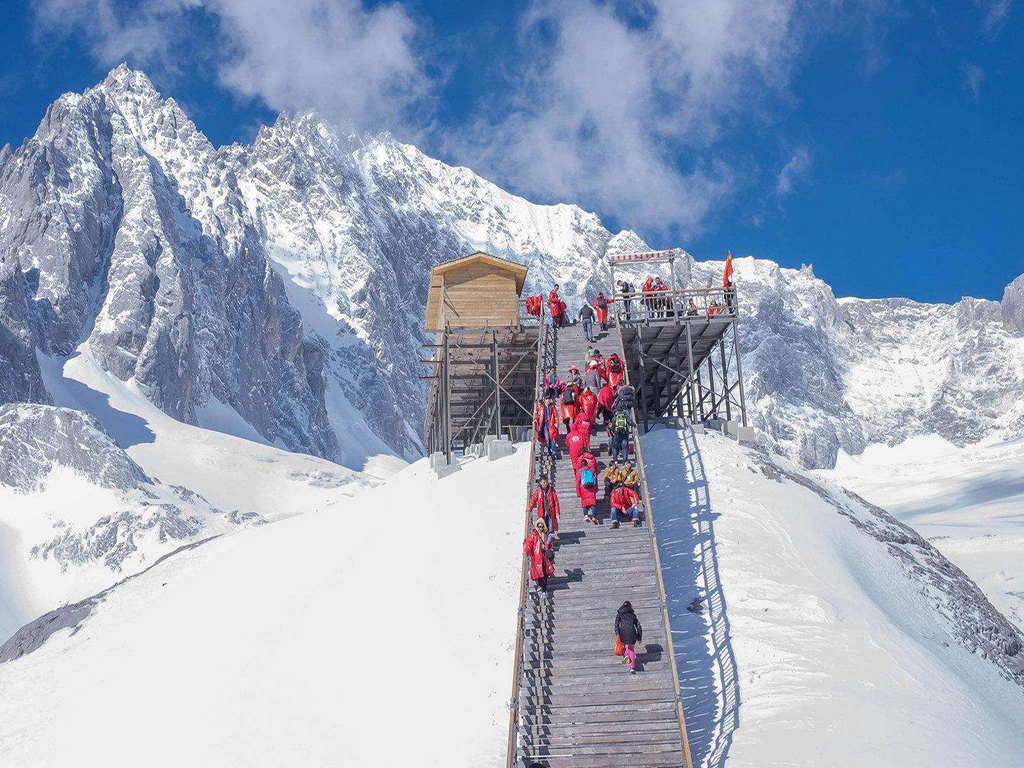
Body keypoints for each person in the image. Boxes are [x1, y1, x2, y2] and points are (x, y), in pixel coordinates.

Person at [524, 518, 554, 592]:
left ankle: (544, 590)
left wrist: (547, 546)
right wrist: (526, 552)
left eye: (542, 526)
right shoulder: (533, 535)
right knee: (539, 574)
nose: (541, 528)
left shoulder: (546, 535)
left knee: (545, 574)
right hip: (536, 557)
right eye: (539, 526)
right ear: (537, 526)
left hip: (545, 557)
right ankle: (540, 585)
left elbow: (549, 545)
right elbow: (528, 544)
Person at [527, 477, 560, 544]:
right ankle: (545, 543)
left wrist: (557, 513)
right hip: (541, 513)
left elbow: (556, 502)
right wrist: (529, 508)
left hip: (550, 513)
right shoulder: (538, 491)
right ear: (540, 483)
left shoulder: (551, 490)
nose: (545, 483)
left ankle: (547, 544)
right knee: (543, 529)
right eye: (544, 482)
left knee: (550, 529)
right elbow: (533, 500)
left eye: (546, 482)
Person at [615, 601, 643, 673]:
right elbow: (638, 626)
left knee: (622, 646)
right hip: (632, 633)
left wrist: (617, 634)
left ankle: (625, 655)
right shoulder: (633, 616)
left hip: (622, 633)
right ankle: (632, 667)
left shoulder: (619, 615)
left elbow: (616, 625)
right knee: (631, 649)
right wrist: (639, 637)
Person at [575, 451, 599, 524]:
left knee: (584, 503)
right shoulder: (591, 470)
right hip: (591, 488)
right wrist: (595, 489)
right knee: (592, 503)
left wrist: (578, 492)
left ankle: (586, 515)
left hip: (583, 489)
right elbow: (595, 479)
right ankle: (594, 516)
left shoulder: (579, 472)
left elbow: (577, 483)